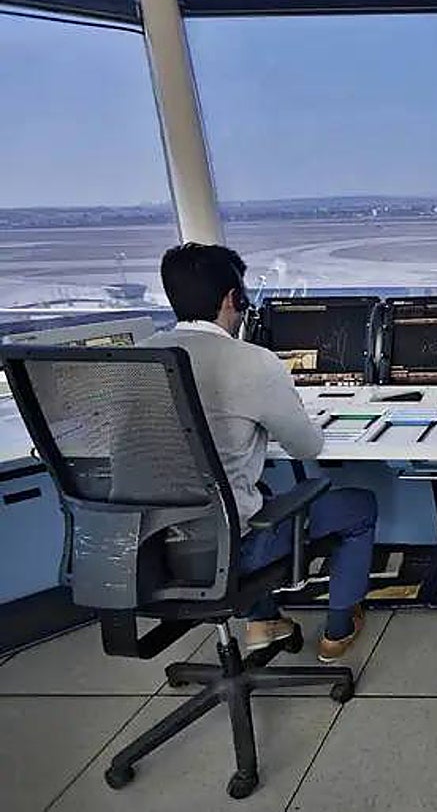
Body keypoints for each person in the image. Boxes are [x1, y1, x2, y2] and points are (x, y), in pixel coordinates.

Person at [148, 242, 377, 662]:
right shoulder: (252, 361)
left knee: (257, 493)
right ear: (233, 299)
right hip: (237, 547)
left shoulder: (136, 362)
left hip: (151, 547)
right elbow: (306, 446)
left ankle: (264, 620)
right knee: (359, 508)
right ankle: (337, 631)